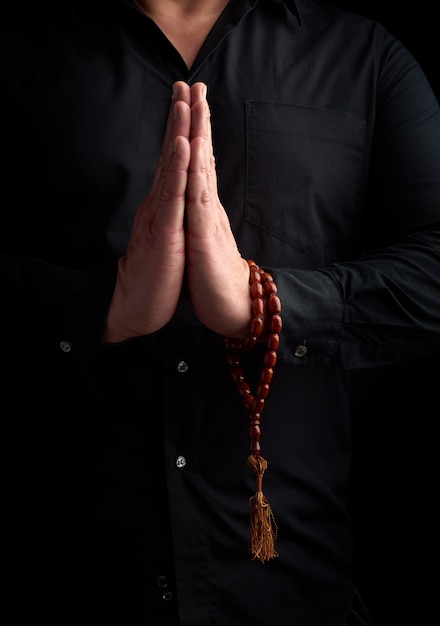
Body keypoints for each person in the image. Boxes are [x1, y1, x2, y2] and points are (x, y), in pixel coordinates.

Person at [1, 0, 439, 624]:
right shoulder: (18, 53)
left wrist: (262, 303)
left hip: (297, 595)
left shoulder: (364, 56)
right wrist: (105, 307)